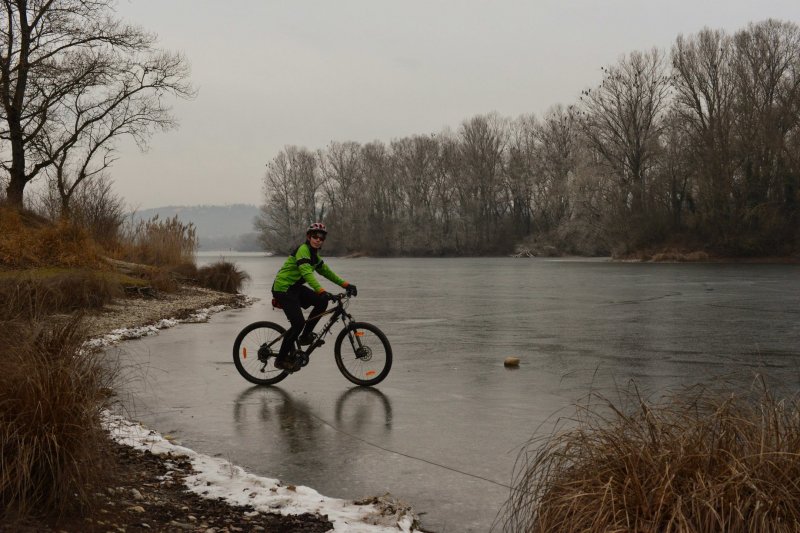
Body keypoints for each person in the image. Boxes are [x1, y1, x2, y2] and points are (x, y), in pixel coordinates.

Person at [271, 222, 357, 370]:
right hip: (283, 288)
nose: (318, 239)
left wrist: (346, 285)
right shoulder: (303, 251)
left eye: (321, 237)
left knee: (321, 303)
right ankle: (280, 360)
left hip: (295, 288)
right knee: (298, 323)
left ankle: (305, 337)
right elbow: (306, 273)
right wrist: (321, 291)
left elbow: (327, 272)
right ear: (309, 237)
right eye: (315, 236)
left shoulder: (314, 256)